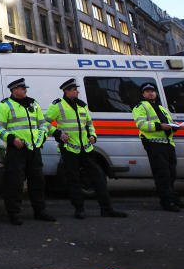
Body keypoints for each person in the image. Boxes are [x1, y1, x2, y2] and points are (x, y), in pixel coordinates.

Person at [44, 78, 126, 219]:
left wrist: (93, 135)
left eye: (77, 89)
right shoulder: (58, 105)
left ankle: (107, 209)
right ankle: (79, 209)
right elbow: (44, 123)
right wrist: (58, 133)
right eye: (74, 89)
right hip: (69, 149)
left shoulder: (82, 106)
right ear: (67, 91)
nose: (77, 91)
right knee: (74, 180)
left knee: (99, 178)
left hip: (86, 150)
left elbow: (89, 123)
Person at [0, 78, 56, 225]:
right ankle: (13, 213)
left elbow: (43, 124)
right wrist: (12, 139)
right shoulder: (5, 106)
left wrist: (43, 136)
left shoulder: (33, 104)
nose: (25, 90)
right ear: (14, 90)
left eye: (25, 88)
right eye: (22, 88)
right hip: (17, 150)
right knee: (14, 184)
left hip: (34, 149)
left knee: (38, 182)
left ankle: (40, 211)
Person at [132, 82, 184, 212]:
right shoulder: (140, 107)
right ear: (143, 94)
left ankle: (172, 197)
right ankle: (166, 202)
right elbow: (142, 125)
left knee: (172, 173)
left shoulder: (162, 108)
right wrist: (160, 126)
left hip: (168, 144)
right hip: (154, 144)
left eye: (152, 91)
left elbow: (169, 123)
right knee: (163, 175)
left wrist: (174, 126)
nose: (151, 93)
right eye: (147, 91)